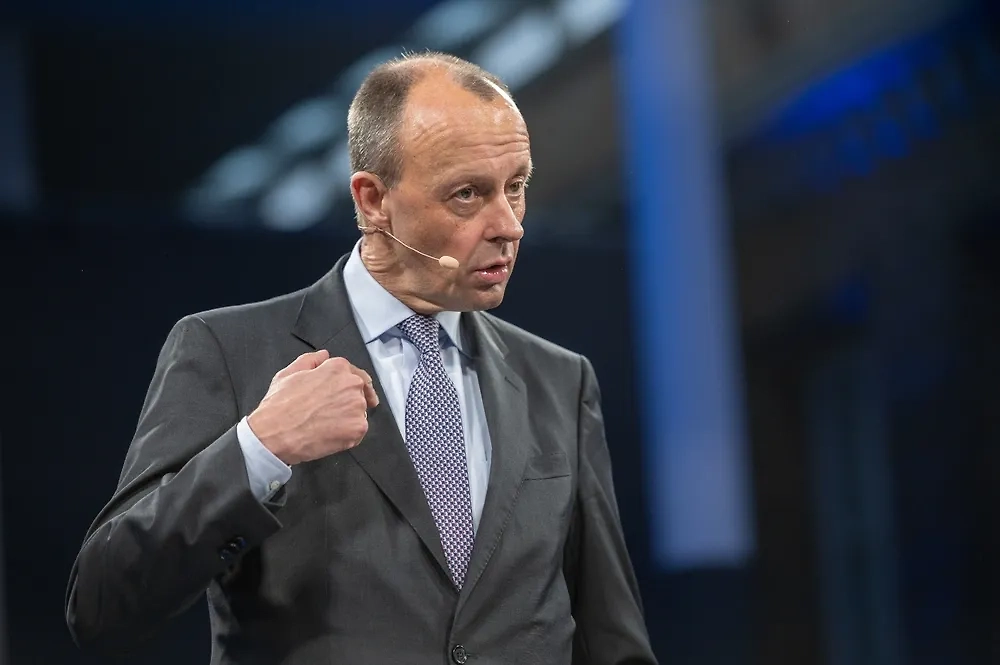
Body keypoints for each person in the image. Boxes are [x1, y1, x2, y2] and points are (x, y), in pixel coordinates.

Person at [65, 51, 657, 665]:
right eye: (467, 194)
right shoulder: (227, 351)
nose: (509, 225)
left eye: (517, 187)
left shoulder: (560, 380)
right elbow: (102, 604)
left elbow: (611, 638)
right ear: (373, 200)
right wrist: (261, 447)